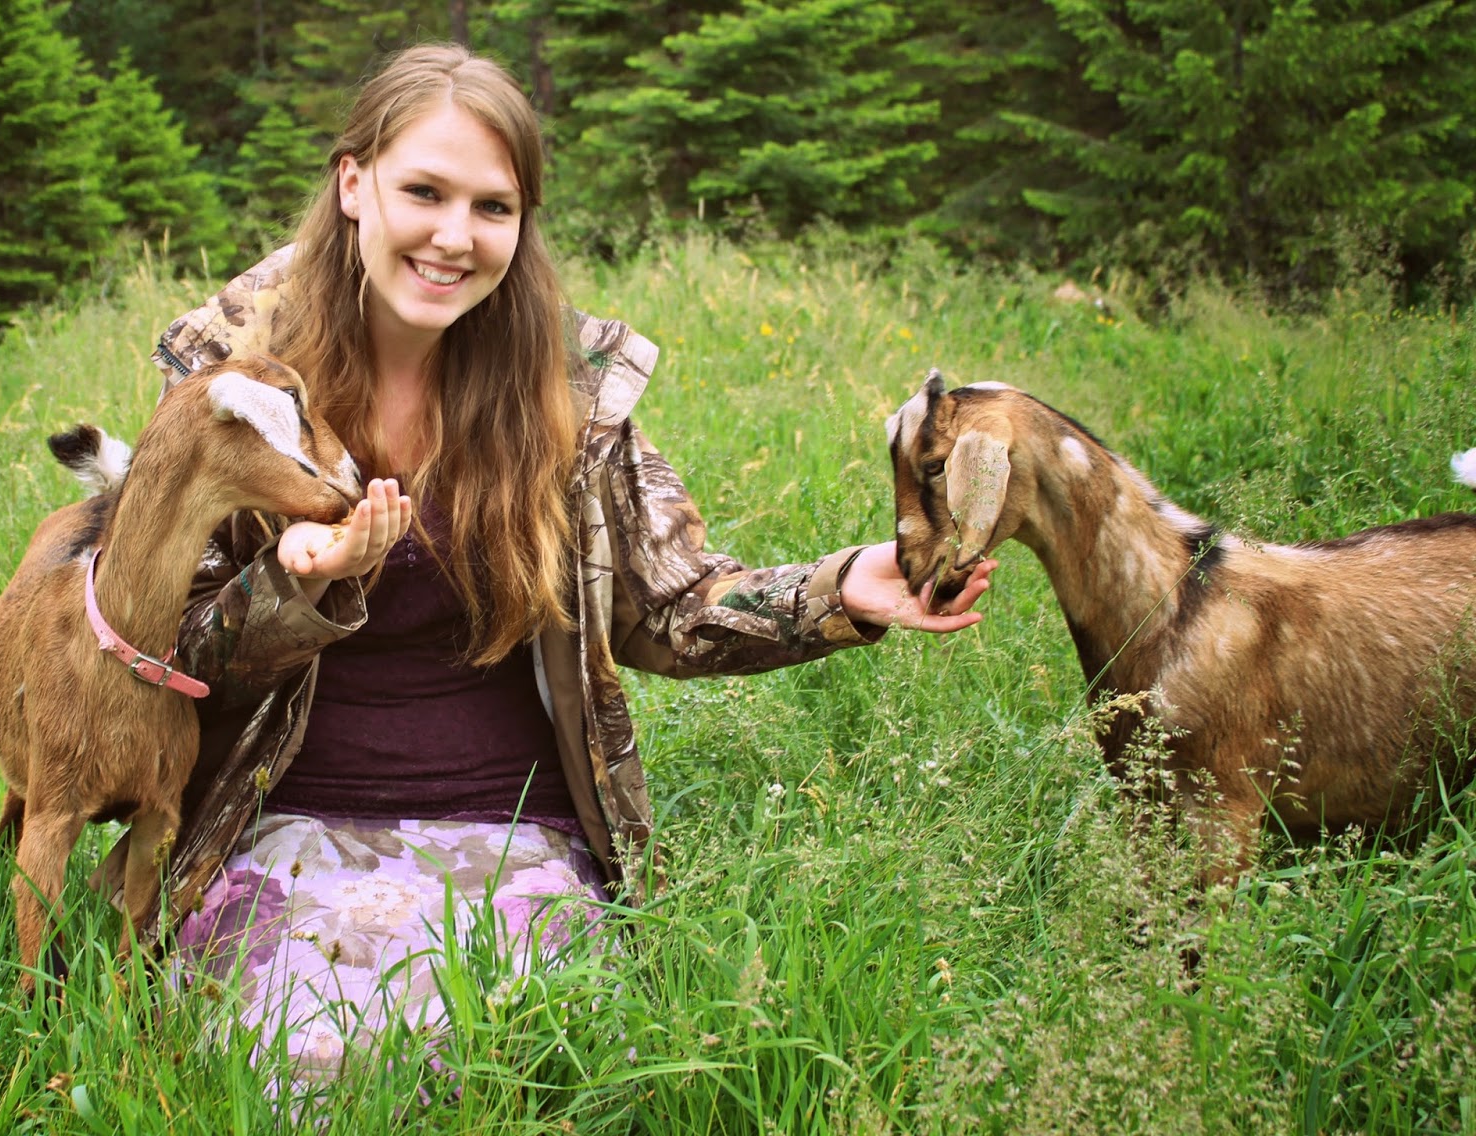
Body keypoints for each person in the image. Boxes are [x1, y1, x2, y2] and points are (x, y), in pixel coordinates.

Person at [91, 41, 995, 1076]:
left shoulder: (563, 390)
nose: (453, 236)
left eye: (492, 207)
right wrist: (296, 582)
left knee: (514, 1054)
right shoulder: (230, 386)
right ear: (353, 183)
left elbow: (669, 602)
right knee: (310, 1058)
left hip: (515, 828)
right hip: (272, 821)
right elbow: (154, 640)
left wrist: (845, 587)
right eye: (423, 191)